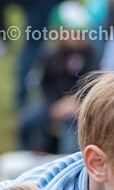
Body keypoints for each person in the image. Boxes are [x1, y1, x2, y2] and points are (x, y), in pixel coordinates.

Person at [18, 1, 98, 154]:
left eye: (82, 33)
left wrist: (76, 101)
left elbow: (93, 82)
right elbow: (45, 83)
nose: (80, 37)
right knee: (28, 121)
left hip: (80, 106)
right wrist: (53, 106)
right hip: (54, 105)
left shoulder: (90, 54)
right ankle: (25, 153)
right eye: (74, 33)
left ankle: (69, 160)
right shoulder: (50, 55)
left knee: (71, 131)